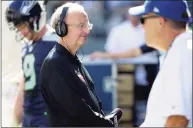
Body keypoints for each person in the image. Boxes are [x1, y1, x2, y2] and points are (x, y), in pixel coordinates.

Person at [40, 2, 122, 127]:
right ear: (61, 28)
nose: (87, 31)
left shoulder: (72, 60)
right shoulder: (55, 63)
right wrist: (107, 123)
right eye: (81, 26)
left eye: (87, 25)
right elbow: (78, 112)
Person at [129, 0, 192, 127]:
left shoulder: (182, 51)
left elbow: (178, 120)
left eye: (143, 20)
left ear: (160, 21)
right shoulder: (181, 48)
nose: (142, 26)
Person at [5, 0, 58, 127]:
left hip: (48, 118)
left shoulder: (56, 43)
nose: (21, 32)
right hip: (29, 118)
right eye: (18, 28)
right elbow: (24, 85)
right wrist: (16, 118)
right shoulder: (28, 47)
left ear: (35, 19)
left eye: (22, 26)